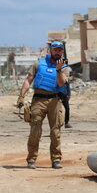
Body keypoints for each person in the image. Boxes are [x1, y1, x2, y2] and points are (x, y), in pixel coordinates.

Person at [16, 41, 69, 169]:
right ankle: (31, 159)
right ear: (50, 50)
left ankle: (56, 159)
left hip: (54, 101)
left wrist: (58, 70)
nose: (58, 52)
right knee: (35, 130)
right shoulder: (38, 63)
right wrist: (21, 96)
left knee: (55, 131)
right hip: (38, 100)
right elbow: (28, 80)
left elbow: (62, 83)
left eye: (60, 50)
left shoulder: (64, 67)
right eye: (55, 49)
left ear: (62, 51)